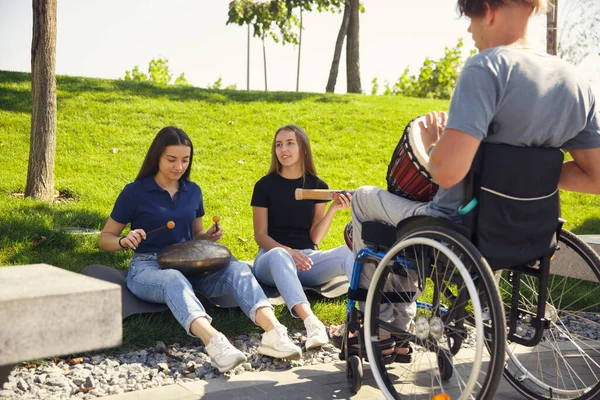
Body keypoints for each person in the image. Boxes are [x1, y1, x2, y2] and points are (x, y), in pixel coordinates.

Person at [350, 0, 600, 353]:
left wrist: (438, 144)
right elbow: (596, 177)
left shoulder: (488, 68)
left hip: (458, 228)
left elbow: (447, 172)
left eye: (470, 19)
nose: (469, 30)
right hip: (531, 235)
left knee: (363, 199)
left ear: (488, 10)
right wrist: (525, 176)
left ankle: (383, 328)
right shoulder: (577, 82)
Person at [99, 126, 302, 373]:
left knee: (238, 268)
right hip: (148, 267)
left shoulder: (192, 191)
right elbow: (105, 239)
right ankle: (215, 342)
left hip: (190, 265)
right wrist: (123, 240)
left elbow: (196, 235)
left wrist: (207, 237)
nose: (179, 166)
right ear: (157, 157)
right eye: (171, 159)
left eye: (185, 160)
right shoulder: (134, 192)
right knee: (172, 278)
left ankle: (274, 333)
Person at [250, 124, 355, 350]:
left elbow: (315, 236)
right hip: (271, 258)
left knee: (350, 251)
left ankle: (360, 320)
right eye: (279, 145)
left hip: (307, 259)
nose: (283, 149)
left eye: (290, 143)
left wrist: (333, 209)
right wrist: (289, 252)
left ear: (303, 149)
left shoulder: (318, 187)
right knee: (279, 254)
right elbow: (260, 236)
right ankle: (312, 323)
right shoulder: (264, 186)